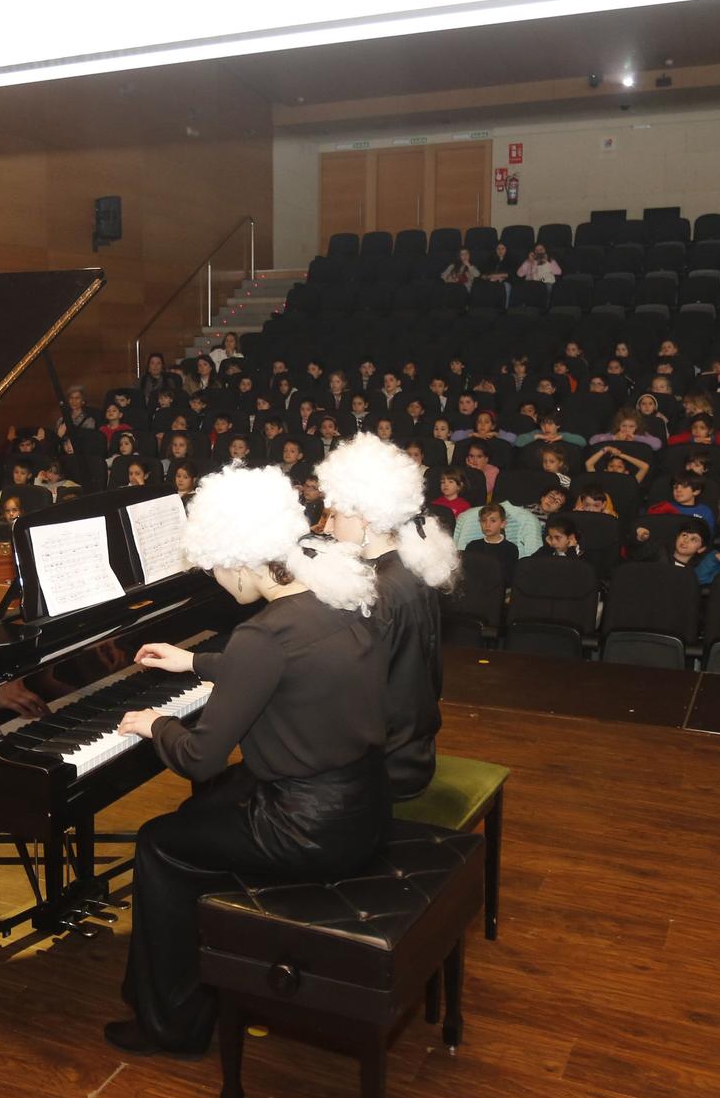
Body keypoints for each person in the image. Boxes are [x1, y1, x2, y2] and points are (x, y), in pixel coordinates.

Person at [107, 468, 386, 1056]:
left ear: (239, 562)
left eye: (215, 569)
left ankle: (172, 1026)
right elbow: (280, 666)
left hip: (302, 828)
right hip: (361, 802)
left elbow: (201, 758)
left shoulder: (262, 635)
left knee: (160, 841)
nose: (217, 581)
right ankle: (210, 968)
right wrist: (194, 664)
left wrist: (153, 723)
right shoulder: (334, 600)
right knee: (209, 809)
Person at [318, 435, 461, 800]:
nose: (328, 528)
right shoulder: (409, 568)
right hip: (412, 751)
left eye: (334, 514)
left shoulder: (377, 591)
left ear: (364, 517)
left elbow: (344, 693)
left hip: (382, 769)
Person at [464, 504, 520, 583]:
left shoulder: (510, 549)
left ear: (503, 524)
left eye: (493, 520)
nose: (487, 525)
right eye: (484, 521)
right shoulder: (473, 546)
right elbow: (466, 574)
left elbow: (509, 578)